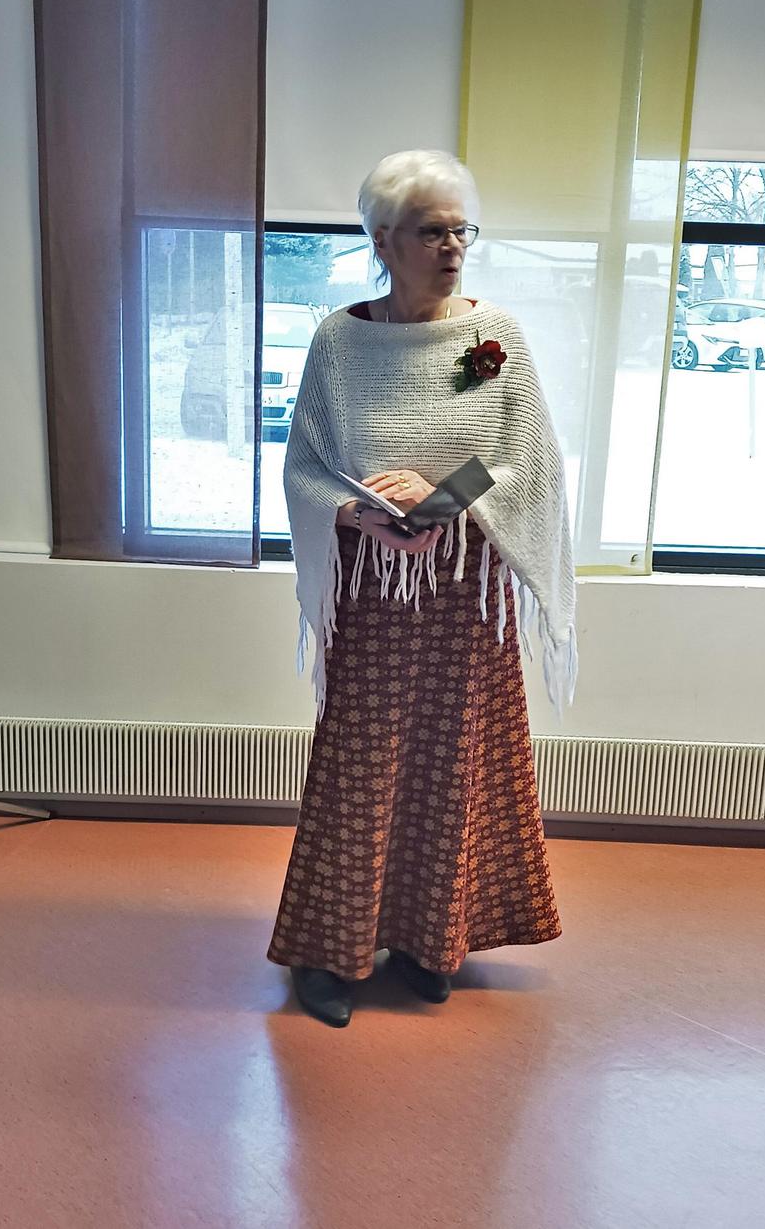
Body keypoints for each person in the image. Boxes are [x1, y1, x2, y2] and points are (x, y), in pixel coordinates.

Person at [267, 149, 577, 1028]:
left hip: (467, 590)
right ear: (383, 242)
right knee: (357, 766)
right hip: (372, 587)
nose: (452, 248)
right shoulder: (340, 341)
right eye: (432, 231)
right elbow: (304, 465)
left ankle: (425, 942)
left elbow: (529, 462)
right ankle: (329, 951)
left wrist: (440, 497)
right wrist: (360, 515)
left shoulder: (493, 339)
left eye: (461, 230)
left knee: (452, 763)